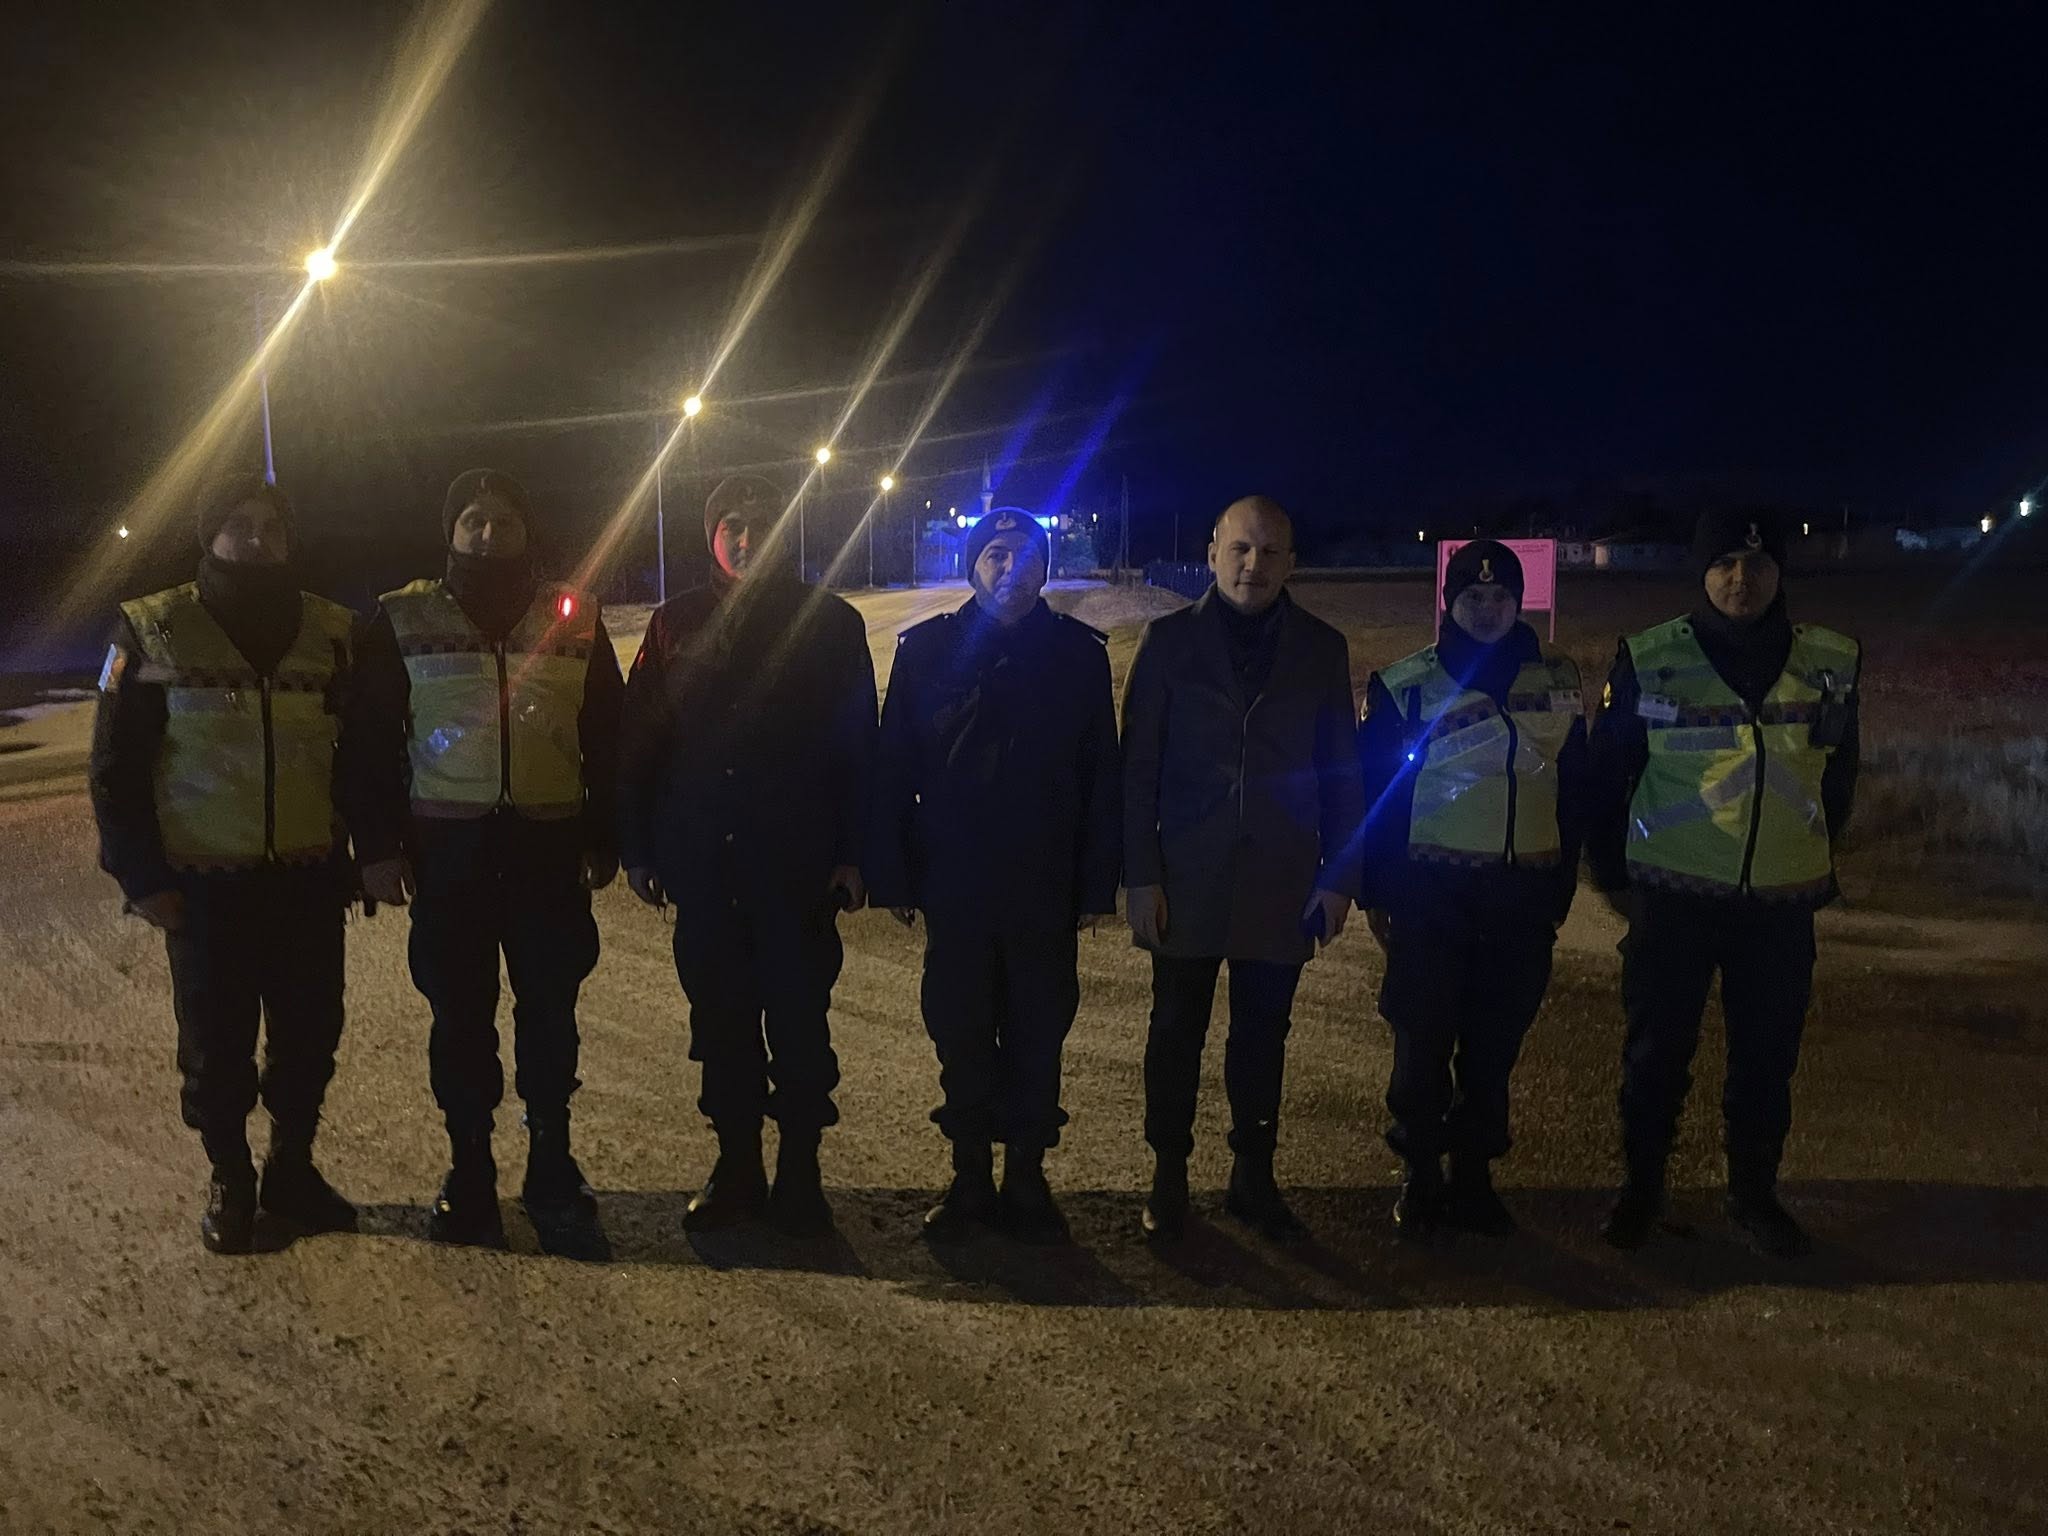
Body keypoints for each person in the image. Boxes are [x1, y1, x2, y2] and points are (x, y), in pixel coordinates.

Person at [89, 476, 365, 1254]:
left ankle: (291, 1171)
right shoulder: (154, 630)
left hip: (306, 881)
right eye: (238, 525)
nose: (256, 538)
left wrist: (362, 852)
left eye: (271, 526)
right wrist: (140, 877)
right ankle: (231, 1178)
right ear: (208, 535)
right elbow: (115, 764)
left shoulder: (332, 631)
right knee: (216, 1047)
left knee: (310, 1036)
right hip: (204, 888)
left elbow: (362, 756)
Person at [352, 469, 622, 1254]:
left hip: (547, 853)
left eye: (505, 520)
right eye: (473, 519)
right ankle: (469, 1170)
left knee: (551, 1016)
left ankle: (551, 1168)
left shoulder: (575, 617)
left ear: (527, 531)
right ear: (450, 531)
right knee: (460, 1020)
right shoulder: (402, 618)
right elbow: (368, 742)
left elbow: (609, 735)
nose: (489, 533)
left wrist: (606, 835)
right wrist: (376, 848)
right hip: (450, 858)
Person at [1588, 509, 1861, 1258]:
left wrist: (1806, 851)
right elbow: (1606, 777)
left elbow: (1840, 772)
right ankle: (1641, 1191)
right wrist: (1615, 878)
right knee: (1654, 1057)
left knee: (1767, 1061)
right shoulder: (1652, 658)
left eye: (1760, 564)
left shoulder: (1831, 661)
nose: (1743, 580)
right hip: (1672, 898)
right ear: (1701, 573)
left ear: (1781, 573)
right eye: (1725, 565)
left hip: (1780, 904)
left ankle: (1754, 1196)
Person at [618, 473, 877, 1236]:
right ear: (712, 535)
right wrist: (638, 847)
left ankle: (800, 1174)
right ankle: (736, 1168)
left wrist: (854, 852)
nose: (746, 536)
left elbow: (859, 747)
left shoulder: (831, 624)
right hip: (704, 866)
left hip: (797, 869)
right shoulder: (674, 624)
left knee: (800, 1028)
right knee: (722, 1026)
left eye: (764, 522)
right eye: (731, 523)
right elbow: (639, 741)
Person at [868, 509, 1121, 1244]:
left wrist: (1096, 884)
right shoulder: (927, 652)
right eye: (996, 554)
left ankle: (1027, 1178)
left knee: (1040, 1033)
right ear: (973, 564)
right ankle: (970, 1177)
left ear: (1045, 567)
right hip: (958, 882)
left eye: (1027, 555)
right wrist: (894, 876)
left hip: (1045, 883)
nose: (1012, 568)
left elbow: (1101, 775)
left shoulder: (1077, 655)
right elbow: (894, 767)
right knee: (962, 1031)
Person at [1121, 494, 1364, 1243]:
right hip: (1185, 878)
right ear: (1212, 554)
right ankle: (1168, 1172)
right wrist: (1141, 875)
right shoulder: (1166, 643)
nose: (1253, 564)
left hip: (1281, 879)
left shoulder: (1321, 649)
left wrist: (1338, 877)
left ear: (1292, 563)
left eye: (1270, 552)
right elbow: (1137, 771)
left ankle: (1252, 1175)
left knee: (1263, 1036)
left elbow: (1343, 772)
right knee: (1175, 1032)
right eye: (1240, 548)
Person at [1357, 540, 1588, 1239]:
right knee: (1421, 1045)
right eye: (1472, 596)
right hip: (1431, 898)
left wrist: (1560, 888)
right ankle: (1420, 1175)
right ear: (1448, 602)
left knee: (1492, 1051)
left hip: (1520, 898)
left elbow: (1577, 789)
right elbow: (1375, 800)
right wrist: (1378, 894)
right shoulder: (1405, 685)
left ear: (1519, 602)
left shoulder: (1559, 679)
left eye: (1500, 596)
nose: (1487, 609)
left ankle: (1475, 1176)